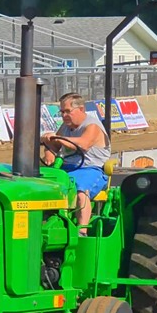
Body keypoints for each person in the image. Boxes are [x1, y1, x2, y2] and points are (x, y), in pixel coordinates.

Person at [40, 92, 110, 236]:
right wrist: (49, 150)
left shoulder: (92, 126)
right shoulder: (66, 127)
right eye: (62, 112)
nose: (64, 115)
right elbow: (55, 146)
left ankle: (82, 230)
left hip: (91, 169)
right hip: (67, 168)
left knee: (80, 190)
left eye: (67, 111)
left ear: (81, 110)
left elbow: (83, 144)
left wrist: (58, 138)